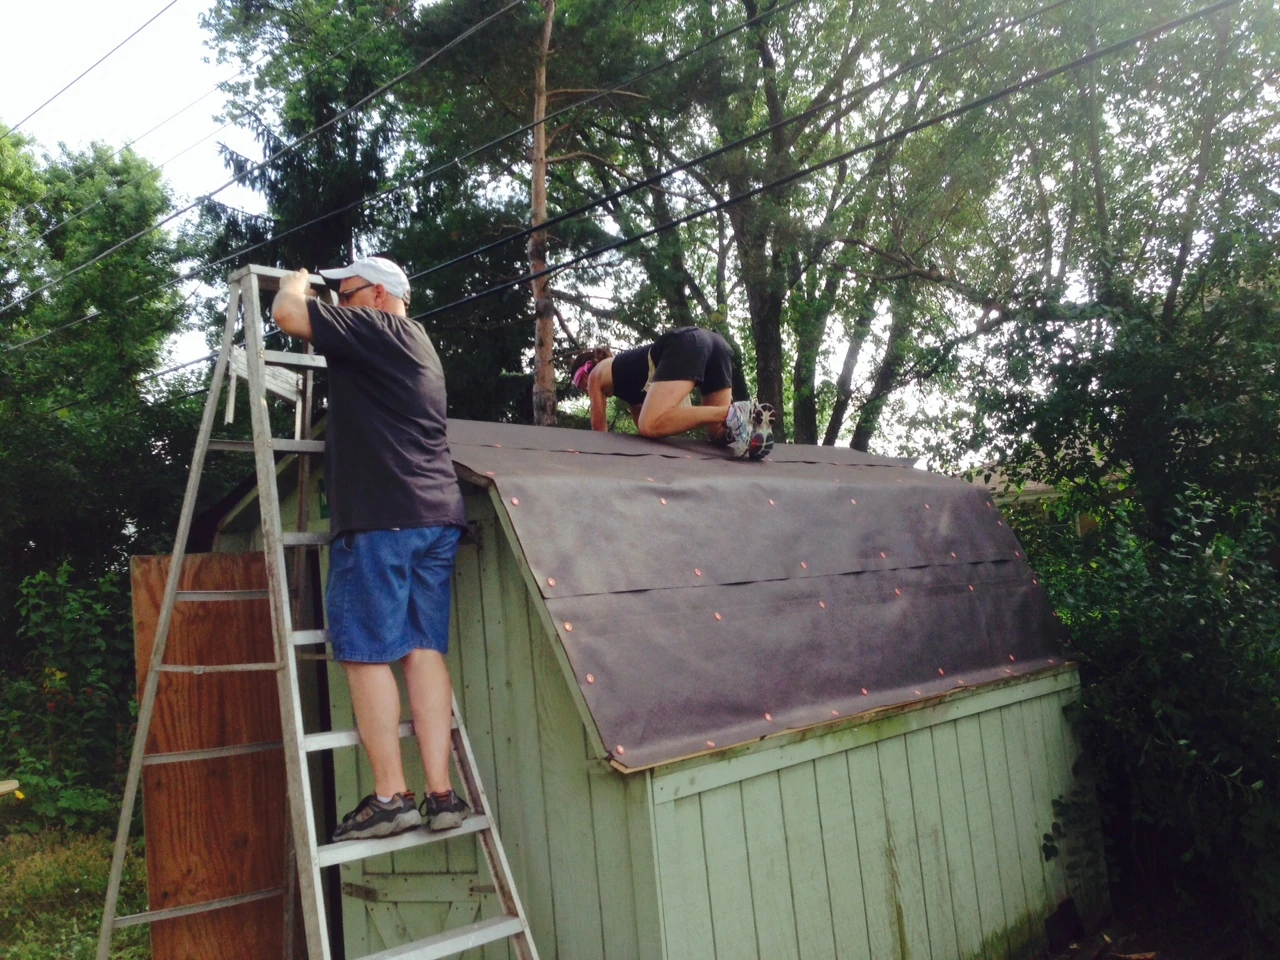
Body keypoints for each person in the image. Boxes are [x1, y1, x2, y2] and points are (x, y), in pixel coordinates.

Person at [272, 256, 470, 841]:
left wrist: (298, 282)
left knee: (363, 651)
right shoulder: (421, 344)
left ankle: (390, 796)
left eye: (347, 293)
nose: (339, 305)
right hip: (435, 516)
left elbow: (288, 314)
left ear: (380, 295)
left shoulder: (379, 327)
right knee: (423, 650)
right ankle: (441, 793)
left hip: (383, 518)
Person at [569, 326, 774, 458]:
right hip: (715, 345)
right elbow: (653, 428)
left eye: (579, 380)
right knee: (717, 433)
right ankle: (752, 429)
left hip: (685, 343)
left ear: (589, 366)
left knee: (648, 424)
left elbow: (599, 433)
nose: (582, 388)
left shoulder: (597, 374)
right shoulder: (627, 380)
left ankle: (734, 413)